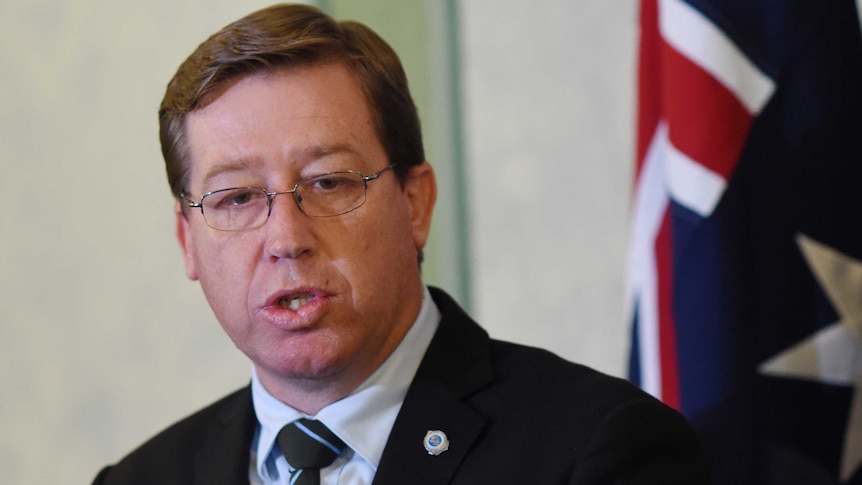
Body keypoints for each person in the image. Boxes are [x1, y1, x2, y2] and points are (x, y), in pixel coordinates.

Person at [92, 4, 712, 484]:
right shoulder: (141, 478)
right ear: (188, 243)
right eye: (236, 198)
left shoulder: (597, 452)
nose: (286, 238)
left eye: (328, 182)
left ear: (415, 204)